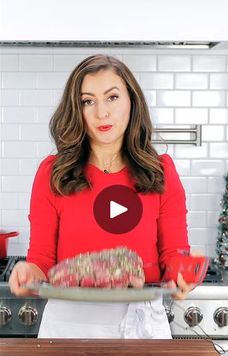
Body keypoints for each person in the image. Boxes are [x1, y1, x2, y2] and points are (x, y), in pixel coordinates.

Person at [9, 54, 195, 339]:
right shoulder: (52, 173)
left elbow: (174, 255)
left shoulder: (162, 172)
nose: (101, 113)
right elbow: (42, 261)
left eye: (112, 98)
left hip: (141, 326)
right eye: (88, 101)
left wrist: (181, 275)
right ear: (77, 109)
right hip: (68, 328)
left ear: (132, 102)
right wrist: (26, 272)